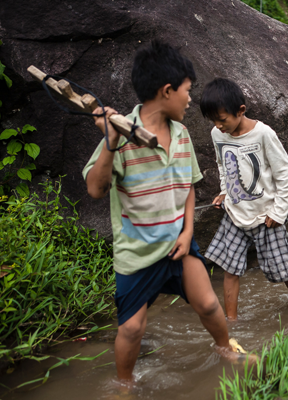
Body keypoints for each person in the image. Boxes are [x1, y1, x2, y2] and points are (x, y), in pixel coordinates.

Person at [82, 41, 251, 385]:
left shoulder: (181, 134)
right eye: (187, 91)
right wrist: (112, 142)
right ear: (167, 90)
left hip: (179, 243)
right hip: (138, 253)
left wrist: (188, 232)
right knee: (131, 328)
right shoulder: (121, 134)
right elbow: (96, 189)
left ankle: (226, 349)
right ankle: (125, 386)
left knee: (208, 305)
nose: (190, 100)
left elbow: (188, 186)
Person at [200, 78, 288, 322]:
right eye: (213, 120)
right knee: (230, 267)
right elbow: (223, 165)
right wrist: (225, 192)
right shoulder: (218, 134)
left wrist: (279, 212)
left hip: (266, 215)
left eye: (222, 119)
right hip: (235, 214)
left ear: (241, 111)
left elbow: (284, 173)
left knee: (281, 264)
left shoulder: (263, 134)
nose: (218, 125)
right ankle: (231, 320)